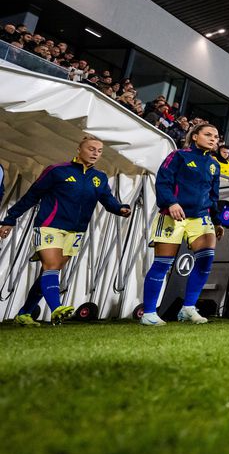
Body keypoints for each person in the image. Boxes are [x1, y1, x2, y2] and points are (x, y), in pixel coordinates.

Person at [1, 135, 132, 325]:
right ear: (79, 149)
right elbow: (32, 196)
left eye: (99, 150)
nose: (96, 153)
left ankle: (24, 314)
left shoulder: (100, 177)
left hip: (76, 231)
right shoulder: (57, 171)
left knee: (49, 271)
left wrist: (120, 208)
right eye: (91, 149)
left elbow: (107, 200)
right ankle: (57, 308)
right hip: (49, 226)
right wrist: (10, 219)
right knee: (51, 266)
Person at [141, 123, 224, 325]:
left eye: (216, 136)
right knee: (162, 264)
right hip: (173, 215)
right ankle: (149, 313)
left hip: (201, 218)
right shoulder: (179, 156)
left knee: (205, 261)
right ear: (194, 136)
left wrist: (216, 220)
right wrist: (171, 202)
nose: (214, 139)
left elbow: (214, 196)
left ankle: (188, 308)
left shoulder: (214, 165)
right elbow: (163, 181)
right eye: (208, 134)